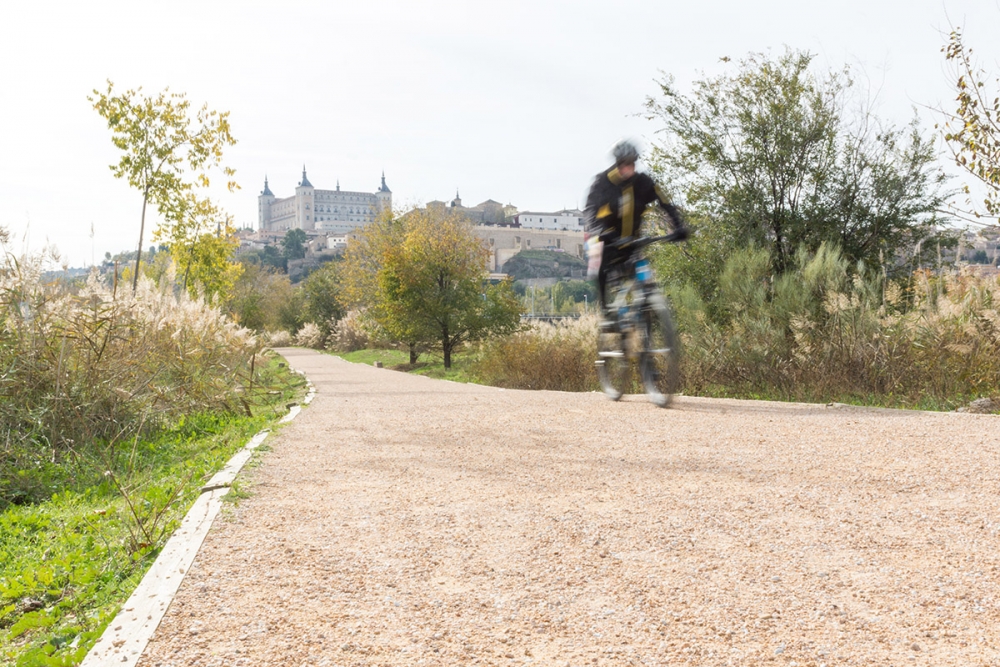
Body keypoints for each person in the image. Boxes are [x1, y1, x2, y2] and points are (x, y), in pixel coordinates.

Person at [584, 139, 688, 316]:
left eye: (632, 163)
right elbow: (590, 211)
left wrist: (679, 226)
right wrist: (602, 233)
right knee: (599, 260)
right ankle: (605, 309)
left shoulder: (643, 183)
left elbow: (665, 203)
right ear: (617, 164)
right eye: (624, 164)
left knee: (644, 274)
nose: (628, 168)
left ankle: (651, 309)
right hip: (609, 240)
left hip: (633, 242)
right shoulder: (602, 183)